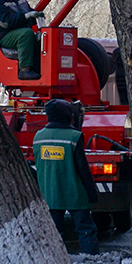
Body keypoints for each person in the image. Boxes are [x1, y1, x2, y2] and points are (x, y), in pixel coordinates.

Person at [34, 98, 100, 254]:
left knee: (53, 233)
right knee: (85, 230)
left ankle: (55, 262)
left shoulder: (38, 137)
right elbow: (83, 169)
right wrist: (92, 193)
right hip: (75, 194)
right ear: (68, 115)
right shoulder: (74, 136)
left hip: (49, 195)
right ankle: (92, 262)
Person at [0, 0, 42, 80]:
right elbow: (5, 23)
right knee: (26, 34)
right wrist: (25, 16)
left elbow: (29, 14)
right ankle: (24, 70)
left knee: (42, 37)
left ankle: (39, 69)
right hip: (4, 35)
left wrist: (34, 16)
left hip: (20, 31)